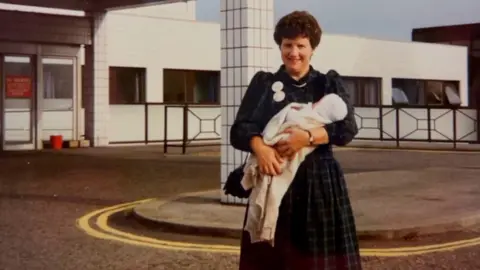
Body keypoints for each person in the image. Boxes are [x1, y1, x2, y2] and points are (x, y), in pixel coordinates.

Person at [229, 10, 362, 270]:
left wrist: (308, 137)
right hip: (275, 183)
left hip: (319, 186)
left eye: (301, 45)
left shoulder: (327, 84)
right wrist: (260, 148)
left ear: (312, 49)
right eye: (287, 45)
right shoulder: (264, 84)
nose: (294, 53)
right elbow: (240, 129)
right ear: (280, 46)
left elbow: (348, 129)